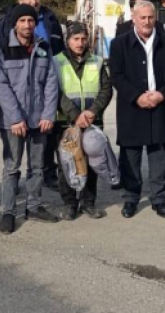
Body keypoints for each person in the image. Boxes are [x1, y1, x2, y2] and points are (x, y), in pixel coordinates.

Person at [109, 0, 165, 219]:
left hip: (159, 104)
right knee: (131, 156)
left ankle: (159, 200)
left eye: (150, 17)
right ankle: (131, 199)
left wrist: (162, 94)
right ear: (134, 18)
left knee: (159, 155)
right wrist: (136, 96)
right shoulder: (119, 43)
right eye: (143, 17)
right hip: (132, 106)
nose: (147, 21)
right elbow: (116, 75)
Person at [0, 4, 61, 234]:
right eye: (22, 21)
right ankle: (8, 212)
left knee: (37, 166)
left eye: (30, 21)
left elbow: (52, 81)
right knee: (12, 167)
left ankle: (33, 206)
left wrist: (48, 114)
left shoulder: (42, 47)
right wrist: (14, 118)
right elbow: (1, 85)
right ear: (15, 23)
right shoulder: (3, 47)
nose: (27, 25)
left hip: (38, 119)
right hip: (12, 121)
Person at [0, 0, 66, 190]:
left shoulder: (50, 18)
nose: (34, 1)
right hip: (16, 90)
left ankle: (46, 176)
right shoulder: (7, 22)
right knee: (14, 152)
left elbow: (59, 53)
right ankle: (13, 186)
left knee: (45, 140)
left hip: (45, 87)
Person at [54, 23, 113, 220]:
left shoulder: (97, 62)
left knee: (91, 163)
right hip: (66, 123)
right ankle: (70, 203)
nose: (80, 43)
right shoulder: (57, 62)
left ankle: (88, 203)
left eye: (83, 39)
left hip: (92, 122)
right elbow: (55, 92)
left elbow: (106, 89)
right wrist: (74, 115)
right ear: (67, 40)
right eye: (75, 39)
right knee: (67, 164)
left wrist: (91, 112)